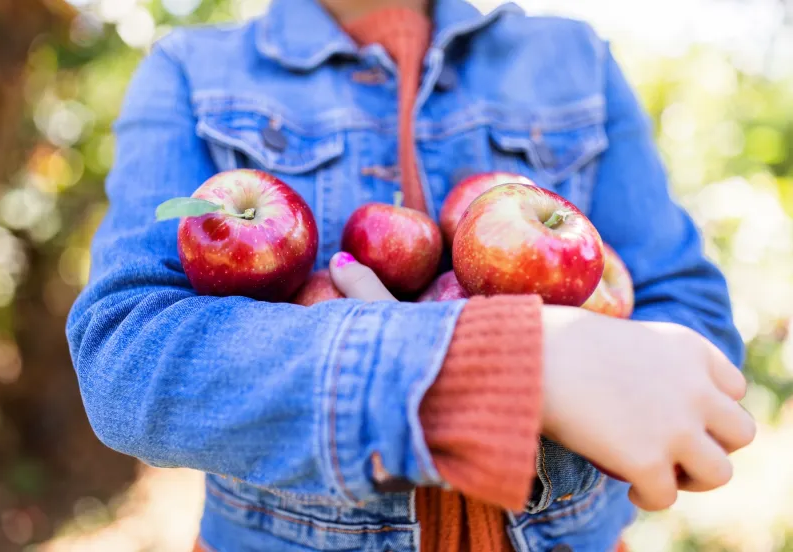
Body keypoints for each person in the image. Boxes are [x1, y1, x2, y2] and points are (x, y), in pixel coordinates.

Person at [66, 0, 757, 550]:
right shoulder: (192, 72)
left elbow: (692, 323)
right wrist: (515, 365)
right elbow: (127, 358)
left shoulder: (574, 61)